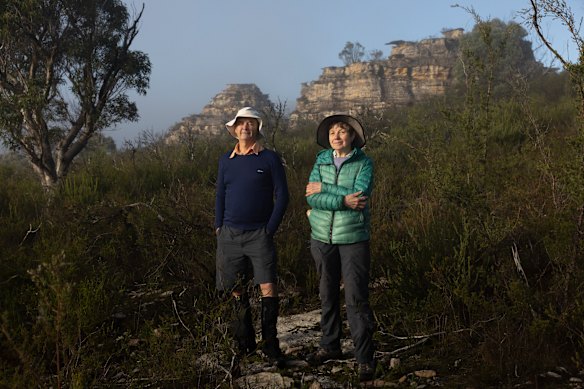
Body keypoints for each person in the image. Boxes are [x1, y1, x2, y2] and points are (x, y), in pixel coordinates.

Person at [215, 106, 289, 366]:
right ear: (234, 129)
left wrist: (270, 228)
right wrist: (218, 226)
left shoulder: (269, 158)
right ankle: (244, 344)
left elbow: (283, 195)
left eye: (250, 123)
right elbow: (220, 195)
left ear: (257, 128)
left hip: (260, 233)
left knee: (267, 286)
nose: (245, 127)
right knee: (235, 289)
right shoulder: (226, 160)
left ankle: (271, 346)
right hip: (230, 234)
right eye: (241, 123)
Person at [305, 113, 376, 381]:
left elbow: (359, 197)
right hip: (322, 236)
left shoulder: (364, 163)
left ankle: (365, 358)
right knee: (327, 293)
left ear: (352, 137)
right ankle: (330, 345)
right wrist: (340, 198)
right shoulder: (320, 161)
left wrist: (325, 188)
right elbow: (312, 198)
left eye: (342, 131)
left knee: (356, 297)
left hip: (354, 238)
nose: (336, 136)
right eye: (332, 132)